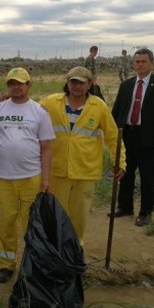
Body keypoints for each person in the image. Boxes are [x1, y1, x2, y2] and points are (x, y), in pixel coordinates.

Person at [39, 67, 125, 244]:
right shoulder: (51, 102)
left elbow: (112, 136)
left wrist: (120, 161)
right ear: (67, 83)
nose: (77, 86)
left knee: (79, 216)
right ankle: (56, 250)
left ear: (90, 84)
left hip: (85, 171)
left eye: (82, 83)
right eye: (73, 82)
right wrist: (9, 99)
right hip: (58, 170)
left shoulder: (98, 106)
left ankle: (76, 250)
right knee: (56, 214)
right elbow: (29, 112)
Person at [0, 68, 54, 284]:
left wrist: (45, 178)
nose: (16, 87)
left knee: (32, 224)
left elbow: (46, 148)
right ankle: (6, 264)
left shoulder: (39, 112)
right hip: (4, 178)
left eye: (21, 83)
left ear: (29, 85)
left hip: (31, 178)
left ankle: (33, 264)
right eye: (12, 83)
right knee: (4, 223)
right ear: (8, 86)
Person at [111, 48, 154, 227]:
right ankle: (125, 206)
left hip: (149, 137)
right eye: (137, 62)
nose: (139, 65)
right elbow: (116, 112)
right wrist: (113, 132)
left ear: (151, 63)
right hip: (127, 135)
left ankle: (145, 211)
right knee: (125, 172)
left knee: (148, 175)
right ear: (133, 64)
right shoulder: (126, 85)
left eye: (143, 62)